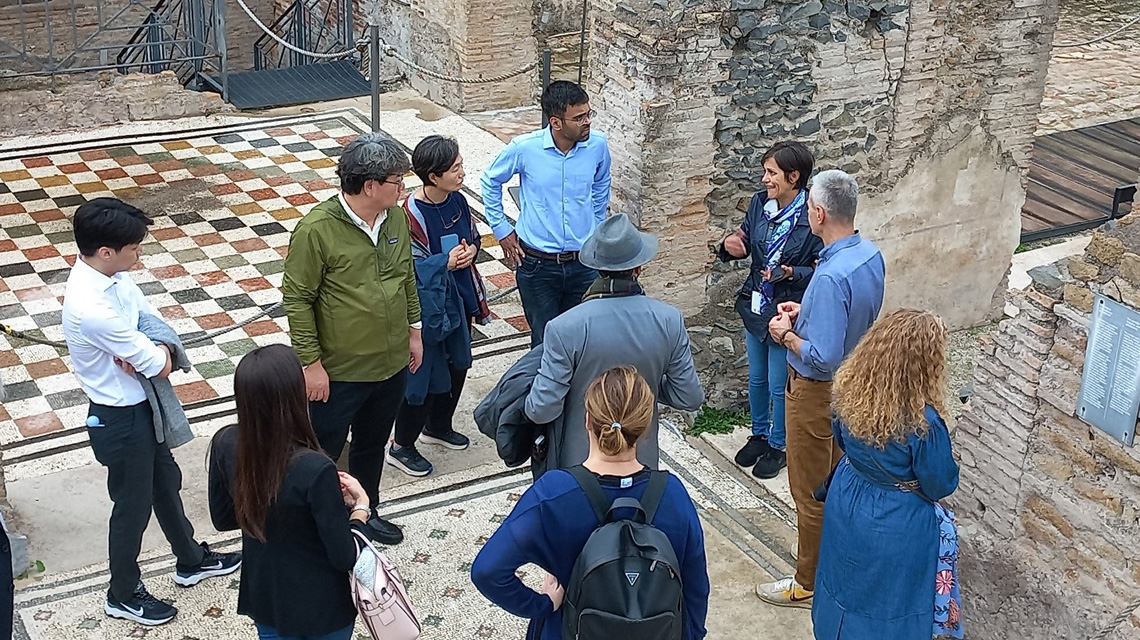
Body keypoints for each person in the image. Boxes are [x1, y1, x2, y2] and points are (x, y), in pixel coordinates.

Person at [61, 198, 241, 626]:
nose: (140, 254)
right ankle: (122, 593)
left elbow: (153, 323)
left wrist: (153, 346)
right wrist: (157, 351)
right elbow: (159, 362)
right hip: (119, 419)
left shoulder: (115, 277)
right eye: (134, 248)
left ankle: (191, 559)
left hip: (143, 407)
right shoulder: (92, 308)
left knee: (166, 485)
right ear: (106, 251)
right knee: (132, 507)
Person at [472, 366, 710, 640]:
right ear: (645, 426)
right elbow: (696, 587)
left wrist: (542, 605)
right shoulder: (672, 494)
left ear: (587, 420)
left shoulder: (553, 493)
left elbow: (487, 571)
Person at [282, 132, 422, 546]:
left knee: (371, 445)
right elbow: (297, 299)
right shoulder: (316, 230)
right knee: (320, 452)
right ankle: (316, 526)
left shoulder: (395, 218)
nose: (404, 187)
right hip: (339, 372)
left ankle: (365, 512)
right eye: (398, 180)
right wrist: (311, 364)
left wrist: (414, 332)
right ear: (370, 186)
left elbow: (406, 277)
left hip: (391, 364)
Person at [757, 169, 885, 608]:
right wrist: (807, 310)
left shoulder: (830, 276)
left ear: (819, 214)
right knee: (839, 480)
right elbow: (851, 319)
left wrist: (786, 334)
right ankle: (836, 561)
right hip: (851, 387)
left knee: (810, 490)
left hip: (815, 391)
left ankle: (806, 581)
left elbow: (822, 356)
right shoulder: (868, 255)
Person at [813, 309, 962, 639]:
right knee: (889, 601)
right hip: (896, 519)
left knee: (842, 578)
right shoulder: (924, 422)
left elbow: (841, 440)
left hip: (847, 496)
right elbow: (940, 483)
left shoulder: (848, 390)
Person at [209, 345, 371, 640]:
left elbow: (223, 518)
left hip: (267, 599)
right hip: (322, 609)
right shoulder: (315, 468)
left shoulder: (225, 442)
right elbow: (345, 556)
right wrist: (360, 508)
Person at [524, 214, 705, 470]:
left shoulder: (564, 328)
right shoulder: (669, 320)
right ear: (638, 268)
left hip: (579, 466)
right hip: (640, 462)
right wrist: (646, 388)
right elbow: (689, 397)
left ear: (595, 266)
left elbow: (541, 409)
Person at [480, 80, 613, 347]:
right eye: (579, 118)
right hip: (537, 266)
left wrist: (597, 225)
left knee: (583, 339)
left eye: (588, 114)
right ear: (556, 122)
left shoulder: (598, 145)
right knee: (544, 342)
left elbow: (601, 184)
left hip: (583, 264)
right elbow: (490, 180)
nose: (587, 122)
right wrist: (501, 229)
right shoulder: (524, 148)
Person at [719, 141, 822, 479]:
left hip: (786, 310)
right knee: (757, 378)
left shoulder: (813, 214)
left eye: (771, 173)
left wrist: (793, 272)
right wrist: (730, 247)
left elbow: (821, 267)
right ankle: (759, 434)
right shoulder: (759, 203)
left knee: (779, 383)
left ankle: (780, 445)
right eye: (765, 172)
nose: (764, 179)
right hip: (757, 302)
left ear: (794, 177)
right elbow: (745, 240)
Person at [389, 135, 488, 476]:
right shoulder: (410, 215)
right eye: (455, 168)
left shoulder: (458, 200)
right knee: (423, 375)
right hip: (429, 308)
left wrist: (472, 250)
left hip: (459, 298)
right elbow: (406, 265)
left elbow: (473, 236)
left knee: (458, 364)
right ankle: (401, 445)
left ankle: (438, 426)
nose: (462, 172)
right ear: (433, 176)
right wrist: (444, 262)